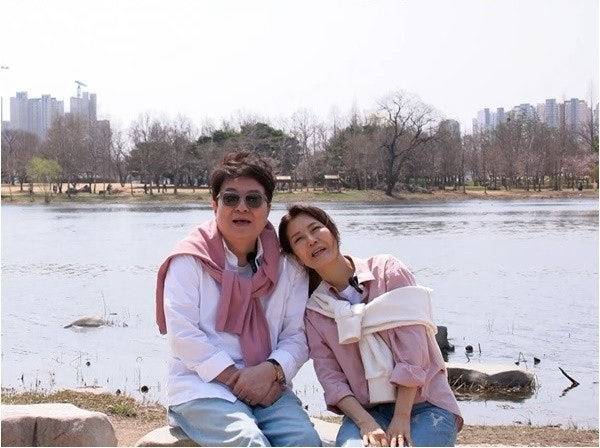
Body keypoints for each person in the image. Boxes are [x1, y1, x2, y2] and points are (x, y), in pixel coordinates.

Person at [155, 152, 321, 447]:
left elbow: (296, 335)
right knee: (248, 441)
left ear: (268, 207)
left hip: (268, 385)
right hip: (202, 387)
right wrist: (238, 379)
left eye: (253, 200)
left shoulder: (288, 266)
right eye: (230, 198)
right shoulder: (188, 261)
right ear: (214, 204)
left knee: (304, 441)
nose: (241, 207)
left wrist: (272, 370)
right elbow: (183, 336)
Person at [279, 204, 462, 447]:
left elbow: (414, 351)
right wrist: (366, 423)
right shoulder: (316, 310)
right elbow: (331, 378)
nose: (311, 240)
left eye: (315, 229)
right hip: (367, 412)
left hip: (426, 403)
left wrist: (401, 417)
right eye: (299, 239)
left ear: (332, 230)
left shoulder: (387, 271)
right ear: (295, 256)